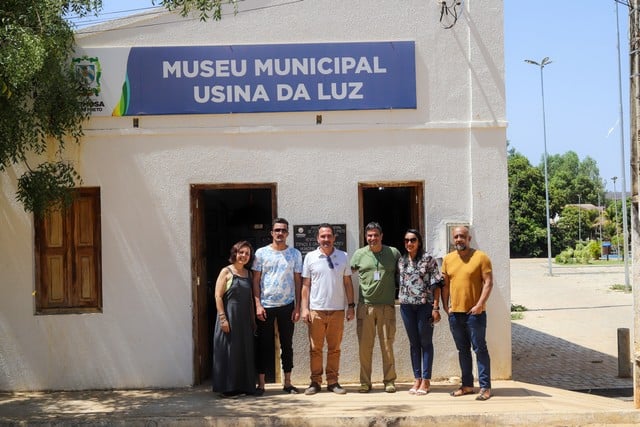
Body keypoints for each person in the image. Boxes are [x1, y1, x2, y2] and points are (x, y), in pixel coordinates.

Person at [300, 224, 355, 395]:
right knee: (315, 348)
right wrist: (304, 308)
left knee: (334, 348)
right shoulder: (310, 257)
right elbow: (306, 285)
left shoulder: (343, 256)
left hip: (337, 310)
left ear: (334, 238)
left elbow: (347, 282)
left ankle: (333, 381)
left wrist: (351, 306)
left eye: (329, 236)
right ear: (318, 238)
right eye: (323, 236)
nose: (326, 239)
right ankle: (315, 382)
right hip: (316, 310)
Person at [441, 225, 493, 401]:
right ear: (452, 239)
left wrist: (479, 305)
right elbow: (445, 285)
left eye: (462, 236)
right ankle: (467, 385)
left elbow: (488, 283)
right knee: (462, 350)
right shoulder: (448, 259)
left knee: (480, 349)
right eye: (456, 237)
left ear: (469, 238)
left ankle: (485, 387)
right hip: (456, 314)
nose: (459, 240)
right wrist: (445, 306)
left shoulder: (481, 257)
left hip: (475, 314)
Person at [252, 218, 302, 395]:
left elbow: (298, 282)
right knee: (263, 345)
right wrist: (257, 304)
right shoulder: (261, 253)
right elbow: (256, 280)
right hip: (266, 306)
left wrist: (298, 307)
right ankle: (261, 385)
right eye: (277, 230)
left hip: (287, 306)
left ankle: (287, 383)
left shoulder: (295, 254)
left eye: (283, 230)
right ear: (272, 233)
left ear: (287, 233)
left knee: (287, 345)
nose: (280, 233)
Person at [350, 221, 401, 393]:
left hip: (387, 307)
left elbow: (404, 274)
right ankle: (365, 382)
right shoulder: (359, 254)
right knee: (365, 347)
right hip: (366, 307)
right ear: (366, 237)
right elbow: (345, 275)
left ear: (381, 236)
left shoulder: (393, 253)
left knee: (387, 345)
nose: (372, 238)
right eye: (369, 235)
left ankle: (389, 381)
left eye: (375, 235)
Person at [397, 229, 444, 395]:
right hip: (406, 307)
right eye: (406, 240)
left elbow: (437, 284)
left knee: (426, 343)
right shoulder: (401, 261)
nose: (409, 243)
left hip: (424, 306)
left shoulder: (428, 259)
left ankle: (426, 380)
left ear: (419, 241)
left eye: (413, 240)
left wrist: (436, 307)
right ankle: (417, 378)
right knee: (414, 343)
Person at [212, 241, 256, 398]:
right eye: (241, 252)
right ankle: (228, 388)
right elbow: (218, 296)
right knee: (229, 351)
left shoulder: (249, 274)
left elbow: (250, 299)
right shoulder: (226, 271)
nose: (243, 256)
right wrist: (223, 318)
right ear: (235, 253)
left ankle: (244, 386)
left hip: (244, 320)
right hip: (229, 318)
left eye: (247, 253)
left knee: (244, 351)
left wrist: (253, 321)